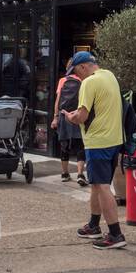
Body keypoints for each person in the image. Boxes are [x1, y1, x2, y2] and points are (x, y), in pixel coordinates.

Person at [63, 52, 126, 250]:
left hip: (97, 141)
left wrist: (69, 117)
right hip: (114, 139)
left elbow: (82, 116)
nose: (76, 77)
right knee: (97, 185)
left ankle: (116, 234)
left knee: (103, 186)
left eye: (75, 72)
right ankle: (93, 225)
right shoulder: (110, 76)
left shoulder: (88, 83)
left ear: (83, 67)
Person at [52, 55, 87, 184]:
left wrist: (55, 118)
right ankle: (80, 174)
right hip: (77, 115)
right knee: (80, 146)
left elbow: (57, 101)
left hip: (63, 115)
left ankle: (65, 173)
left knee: (64, 145)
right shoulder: (84, 81)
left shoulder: (63, 80)